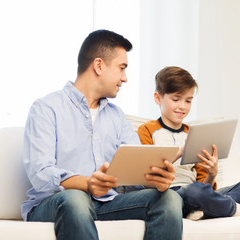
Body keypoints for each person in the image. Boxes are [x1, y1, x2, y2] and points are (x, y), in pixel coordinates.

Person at [21, 30, 183, 240]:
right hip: (56, 203)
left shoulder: (116, 116)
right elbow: (40, 173)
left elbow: (136, 172)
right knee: (76, 199)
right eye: (122, 68)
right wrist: (88, 184)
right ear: (99, 66)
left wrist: (155, 179)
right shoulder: (46, 108)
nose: (125, 78)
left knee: (169, 199)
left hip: (106, 203)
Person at [138, 66, 240, 220]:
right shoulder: (147, 130)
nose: (182, 106)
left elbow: (206, 187)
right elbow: (146, 175)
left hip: (201, 193)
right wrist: (179, 152)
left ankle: (208, 208)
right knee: (194, 192)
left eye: (188, 100)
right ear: (158, 98)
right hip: (171, 196)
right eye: (176, 99)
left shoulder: (194, 133)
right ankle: (238, 209)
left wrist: (212, 174)